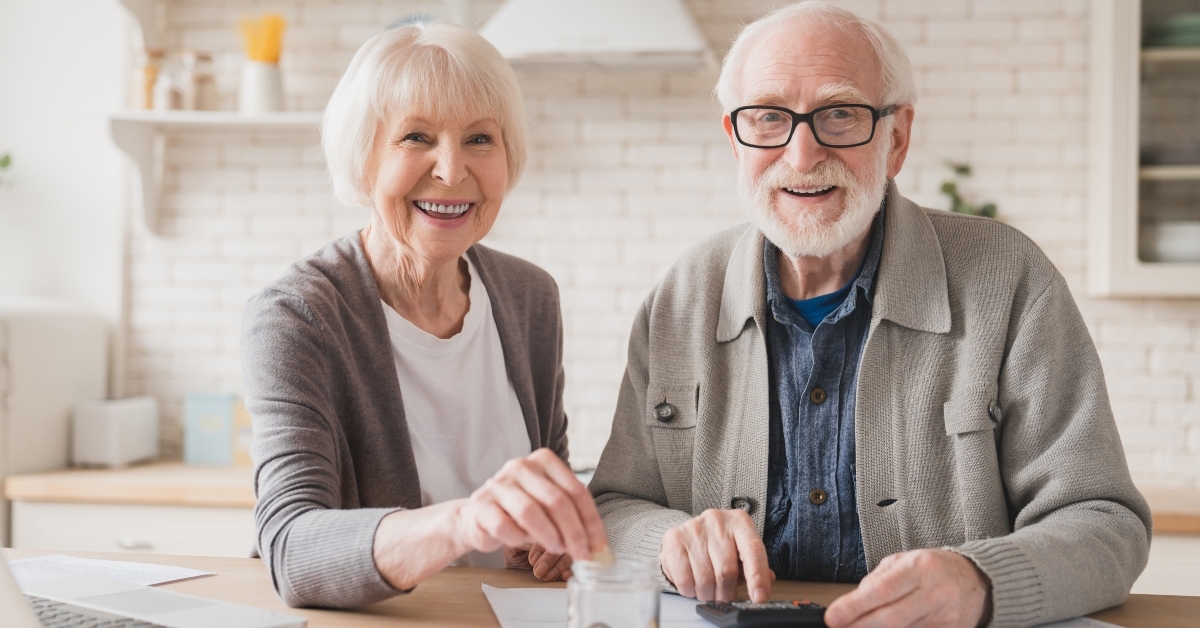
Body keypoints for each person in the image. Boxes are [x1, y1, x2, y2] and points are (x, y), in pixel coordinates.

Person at [588, 3, 1151, 627]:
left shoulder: (1010, 279)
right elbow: (614, 504)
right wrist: (669, 543)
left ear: (897, 137)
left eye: (839, 114)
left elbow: (1105, 523)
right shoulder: (680, 296)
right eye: (770, 117)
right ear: (734, 137)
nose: (801, 156)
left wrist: (981, 581)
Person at [240, 22, 604, 609]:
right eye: (416, 136)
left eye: (481, 139)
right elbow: (290, 547)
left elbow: (548, 479)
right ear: (364, 159)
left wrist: (548, 536)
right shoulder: (297, 316)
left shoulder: (530, 297)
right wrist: (465, 523)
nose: (452, 170)